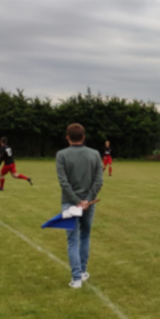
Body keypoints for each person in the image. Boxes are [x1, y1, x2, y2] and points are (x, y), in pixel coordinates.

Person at [56, 123, 104, 289]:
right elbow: (99, 180)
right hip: (88, 203)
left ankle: (77, 277)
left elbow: (63, 182)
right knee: (84, 236)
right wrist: (86, 200)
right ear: (83, 137)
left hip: (70, 202)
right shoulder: (95, 154)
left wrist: (77, 200)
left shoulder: (61, 154)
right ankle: (81, 272)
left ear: (67, 137)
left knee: (73, 240)